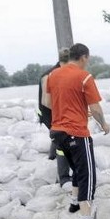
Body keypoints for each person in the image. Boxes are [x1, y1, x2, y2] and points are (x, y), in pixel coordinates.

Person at [47, 43, 110, 219]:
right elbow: (96, 108)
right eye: (87, 60)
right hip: (76, 133)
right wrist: (104, 125)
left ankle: (75, 203)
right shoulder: (85, 77)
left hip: (57, 132)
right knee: (87, 176)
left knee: (76, 168)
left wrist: (75, 112)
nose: (87, 63)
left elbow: (51, 103)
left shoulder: (53, 75)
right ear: (83, 57)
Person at [38, 47, 72, 187]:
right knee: (62, 142)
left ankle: (51, 158)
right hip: (49, 113)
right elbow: (46, 101)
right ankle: (63, 177)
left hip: (58, 113)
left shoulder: (64, 72)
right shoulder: (49, 75)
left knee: (58, 137)